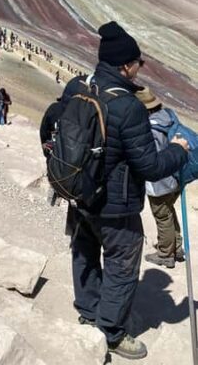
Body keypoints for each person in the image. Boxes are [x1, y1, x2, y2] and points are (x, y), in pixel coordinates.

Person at [63, 22, 188, 360]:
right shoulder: (128, 106)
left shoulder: (78, 85)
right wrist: (178, 150)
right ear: (125, 65)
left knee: (84, 252)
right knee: (121, 264)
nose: (139, 68)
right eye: (138, 63)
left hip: (78, 192)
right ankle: (112, 333)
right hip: (115, 206)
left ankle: (89, 311)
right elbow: (149, 167)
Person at [138, 87, 185, 269]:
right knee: (168, 209)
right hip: (177, 174)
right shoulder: (169, 116)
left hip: (161, 180)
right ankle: (177, 247)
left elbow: (153, 159)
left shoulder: (151, 128)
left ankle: (165, 254)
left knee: (162, 215)